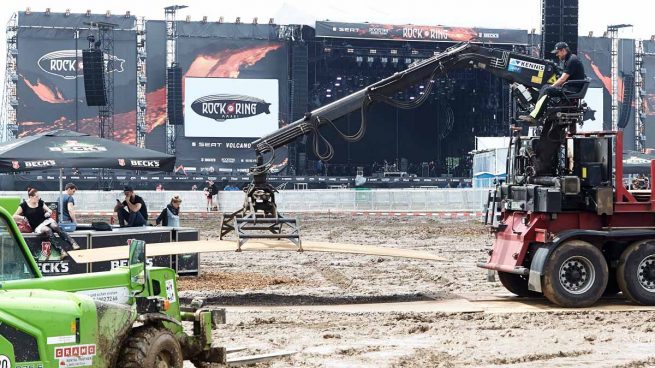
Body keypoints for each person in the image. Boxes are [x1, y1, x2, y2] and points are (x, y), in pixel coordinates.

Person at [520, 42, 586, 124]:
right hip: (569, 86)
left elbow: (562, 79)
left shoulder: (572, 60)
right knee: (545, 87)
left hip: (572, 89)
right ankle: (537, 110)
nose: (556, 55)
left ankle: (535, 117)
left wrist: (552, 87)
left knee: (548, 90)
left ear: (563, 51)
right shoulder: (568, 60)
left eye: (557, 52)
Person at [13, 188, 79, 254]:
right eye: (37, 196)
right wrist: (22, 217)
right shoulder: (23, 205)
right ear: (31, 197)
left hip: (46, 220)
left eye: (39, 196)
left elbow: (49, 210)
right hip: (37, 226)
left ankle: (72, 242)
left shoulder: (40, 202)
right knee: (48, 230)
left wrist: (48, 213)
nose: (38, 198)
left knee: (55, 226)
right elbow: (14, 216)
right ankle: (60, 250)